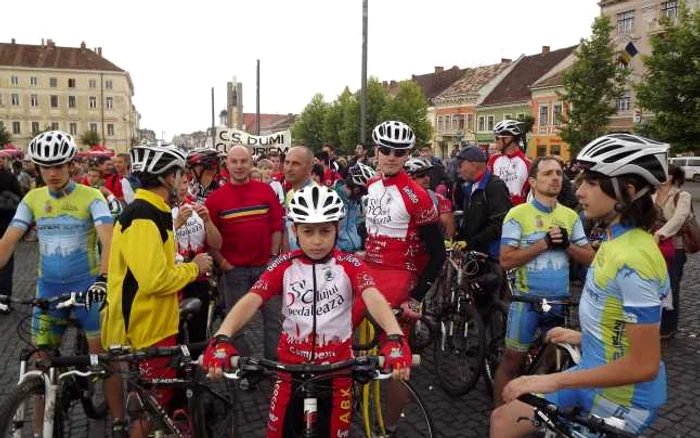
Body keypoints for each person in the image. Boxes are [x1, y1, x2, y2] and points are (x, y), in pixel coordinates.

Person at [491, 134, 670, 437]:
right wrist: (580, 335)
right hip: (592, 371)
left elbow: (644, 364)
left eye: (591, 182)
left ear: (625, 192)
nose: (578, 188)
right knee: (502, 419)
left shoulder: (634, 258)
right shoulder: (616, 240)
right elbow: (615, 319)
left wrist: (550, 381)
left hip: (622, 398)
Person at [202, 185, 411, 438]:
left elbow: (373, 297)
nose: (316, 240)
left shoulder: (350, 264)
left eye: (325, 231)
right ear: (294, 231)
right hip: (290, 372)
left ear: (337, 229)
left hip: (338, 372)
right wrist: (222, 336)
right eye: (308, 231)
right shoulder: (284, 264)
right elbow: (252, 299)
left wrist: (394, 336)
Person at [0, 131, 124, 432]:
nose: (52, 173)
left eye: (58, 166)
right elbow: (9, 239)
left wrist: (103, 279)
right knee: (41, 362)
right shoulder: (32, 198)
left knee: (103, 361)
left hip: (88, 291)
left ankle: (120, 419)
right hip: (48, 291)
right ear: (38, 169)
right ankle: (40, 427)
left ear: (71, 165)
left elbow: (108, 241)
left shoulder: (92, 197)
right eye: (45, 167)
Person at [101, 142, 213, 438]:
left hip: (155, 320)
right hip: (145, 326)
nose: (182, 180)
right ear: (166, 177)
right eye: (179, 174)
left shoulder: (154, 210)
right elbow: (154, 280)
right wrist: (195, 268)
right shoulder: (142, 216)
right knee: (148, 407)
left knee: (152, 402)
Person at [353, 120, 445, 435]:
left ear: (407, 155)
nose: (391, 156)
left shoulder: (417, 195)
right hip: (367, 273)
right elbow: (372, 230)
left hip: (397, 279)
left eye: (399, 151)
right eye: (385, 150)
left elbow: (438, 254)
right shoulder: (372, 186)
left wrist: (417, 297)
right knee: (334, 338)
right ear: (375, 151)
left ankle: (389, 426)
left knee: (396, 361)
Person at [492, 156, 595, 406]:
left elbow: (591, 258)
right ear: (533, 181)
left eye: (559, 173)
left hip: (559, 301)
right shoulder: (518, 214)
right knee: (511, 362)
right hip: (525, 301)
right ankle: (500, 415)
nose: (555, 178)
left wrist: (567, 245)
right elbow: (505, 260)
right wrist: (542, 244)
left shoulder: (570, 216)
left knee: (553, 364)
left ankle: (540, 414)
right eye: (548, 173)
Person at [205, 145, 283, 360]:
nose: (239, 166)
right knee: (235, 323)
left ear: (251, 163)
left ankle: (272, 366)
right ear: (227, 165)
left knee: (274, 320)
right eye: (234, 162)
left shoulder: (265, 191)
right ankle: (244, 367)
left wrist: (273, 259)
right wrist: (222, 263)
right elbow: (209, 238)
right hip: (234, 272)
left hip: (265, 269)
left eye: (243, 161)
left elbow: (276, 226)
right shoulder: (215, 199)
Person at [172, 175, 223, 343]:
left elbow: (216, 244)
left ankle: (195, 363)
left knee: (198, 332)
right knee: (175, 332)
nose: (181, 187)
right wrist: (176, 224)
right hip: (174, 278)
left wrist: (207, 221)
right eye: (177, 183)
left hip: (199, 277)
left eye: (185, 182)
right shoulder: (161, 211)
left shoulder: (196, 207)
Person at [652, 164, 691, 339]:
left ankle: (669, 327)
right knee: (655, 286)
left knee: (672, 286)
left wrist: (660, 234)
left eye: (667, 173)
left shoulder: (682, 196)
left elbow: (679, 218)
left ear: (674, 177)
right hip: (654, 247)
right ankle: (655, 323)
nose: (663, 176)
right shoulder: (652, 196)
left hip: (675, 247)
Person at [453, 147, 511, 258]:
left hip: (491, 257)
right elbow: (469, 220)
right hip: (474, 253)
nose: (458, 170)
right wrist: (459, 239)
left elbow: (500, 223)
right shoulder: (469, 186)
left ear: (473, 165)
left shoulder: (495, 186)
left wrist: (471, 242)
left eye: (460, 165)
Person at [404, 157, 455, 239]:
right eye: (421, 175)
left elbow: (449, 227)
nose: (426, 178)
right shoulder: (399, 197)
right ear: (410, 178)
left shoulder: (438, 198)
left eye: (428, 174)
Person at [488, 119, 531, 206]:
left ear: (508, 138)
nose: (495, 141)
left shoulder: (527, 163)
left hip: (517, 212)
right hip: (496, 211)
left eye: (497, 138)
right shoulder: (493, 159)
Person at [334, 162, 375, 252]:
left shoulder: (355, 202)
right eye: (364, 192)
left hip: (356, 251)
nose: (363, 196)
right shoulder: (332, 199)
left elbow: (358, 223)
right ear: (357, 189)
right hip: (338, 254)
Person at [282, 146, 316, 251]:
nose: (289, 168)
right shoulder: (290, 193)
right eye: (287, 162)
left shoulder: (316, 195)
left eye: (296, 164)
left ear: (310, 167)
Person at [0, 155, 22, 309]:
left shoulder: (9, 176)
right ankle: (3, 299)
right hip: (6, 224)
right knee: (6, 262)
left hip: (6, 224)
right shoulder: (9, 177)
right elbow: (19, 195)